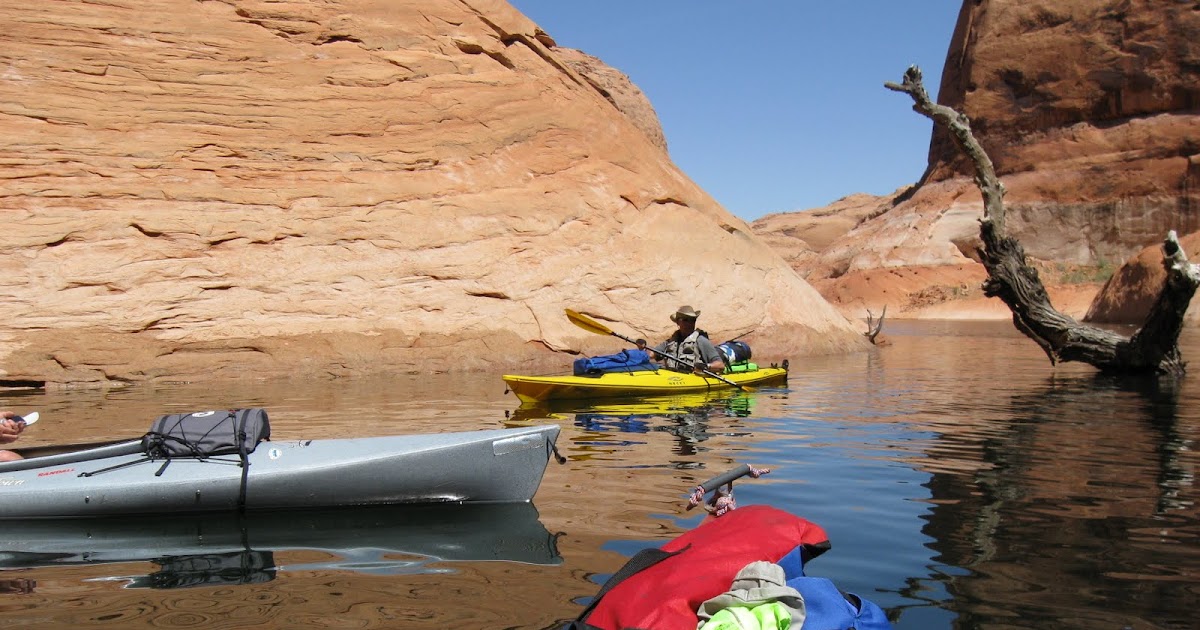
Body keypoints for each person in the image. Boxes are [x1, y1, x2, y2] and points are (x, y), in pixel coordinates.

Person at [652, 305, 726, 374]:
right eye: (685, 320)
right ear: (678, 322)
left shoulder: (701, 341)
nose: (689, 323)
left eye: (692, 320)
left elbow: (720, 365)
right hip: (672, 379)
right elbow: (651, 355)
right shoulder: (670, 342)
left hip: (693, 381)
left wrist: (706, 366)